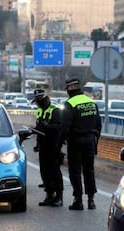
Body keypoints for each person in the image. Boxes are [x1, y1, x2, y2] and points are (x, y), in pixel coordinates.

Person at [60, 78, 102, 210]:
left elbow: (65, 127)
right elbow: (98, 124)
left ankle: (78, 200)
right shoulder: (91, 102)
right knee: (89, 170)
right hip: (90, 140)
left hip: (75, 142)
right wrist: (95, 142)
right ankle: (91, 200)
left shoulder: (70, 104)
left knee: (75, 171)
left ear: (69, 90)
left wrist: (60, 144)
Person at [33, 88, 64, 207]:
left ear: (42, 99)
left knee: (54, 171)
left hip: (53, 145)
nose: (36, 103)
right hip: (43, 145)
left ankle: (59, 196)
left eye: (37, 100)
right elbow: (39, 127)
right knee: (44, 171)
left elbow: (59, 127)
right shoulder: (39, 111)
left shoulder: (55, 110)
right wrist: (37, 144)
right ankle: (49, 195)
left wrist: (48, 126)